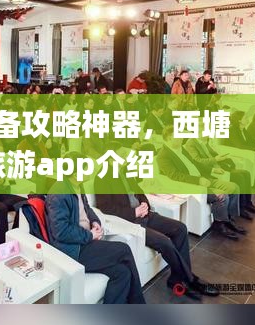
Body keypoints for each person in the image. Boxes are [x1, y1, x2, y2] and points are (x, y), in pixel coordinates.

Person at [95, 172, 219, 300]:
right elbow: (106, 209)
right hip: (131, 223)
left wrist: (144, 204)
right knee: (165, 242)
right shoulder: (102, 178)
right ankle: (190, 279)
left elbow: (140, 193)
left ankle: (176, 279)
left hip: (146, 215)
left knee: (180, 229)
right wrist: (134, 212)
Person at [45, 153, 145, 304]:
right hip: (74, 250)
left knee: (122, 273)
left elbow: (87, 208)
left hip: (85, 241)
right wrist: (90, 235)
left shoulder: (77, 185)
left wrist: (95, 221)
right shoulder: (59, 193)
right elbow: (61, 232)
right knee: (124, 249)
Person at [157, 126, 241, 240]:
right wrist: (198, 180)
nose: (181, 138)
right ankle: (219, 224)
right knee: (222, 196)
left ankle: (228, 219)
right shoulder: (163, 155)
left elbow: (196, 164)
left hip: (203, 178)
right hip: (192, 185)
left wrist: (211, 170)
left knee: (234, 187)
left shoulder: (182, 149)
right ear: (168, 138)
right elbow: (175, 176)